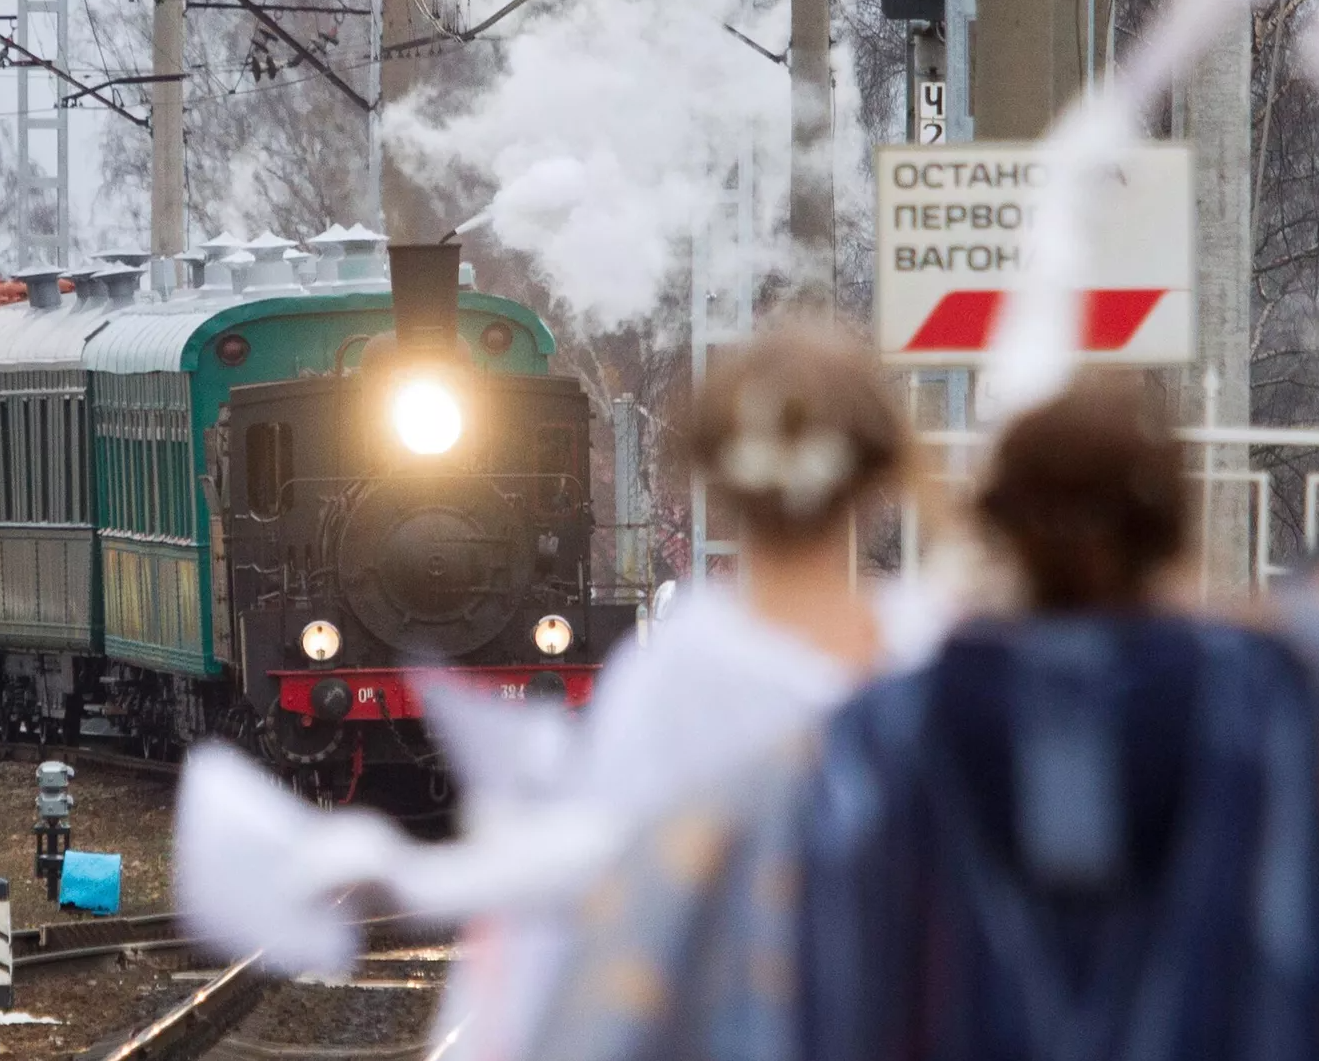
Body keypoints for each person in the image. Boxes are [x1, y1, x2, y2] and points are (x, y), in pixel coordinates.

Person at [431, 321, 960, 1061]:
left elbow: (579, 909)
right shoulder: (941, 651)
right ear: (879, 476)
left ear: (717, 477)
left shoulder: (672, 674)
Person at [794, 374, 1319, 1061]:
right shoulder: (1264, 710)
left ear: (1000, 522)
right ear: (1169, 528)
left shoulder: (884, 731)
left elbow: (839, 984)